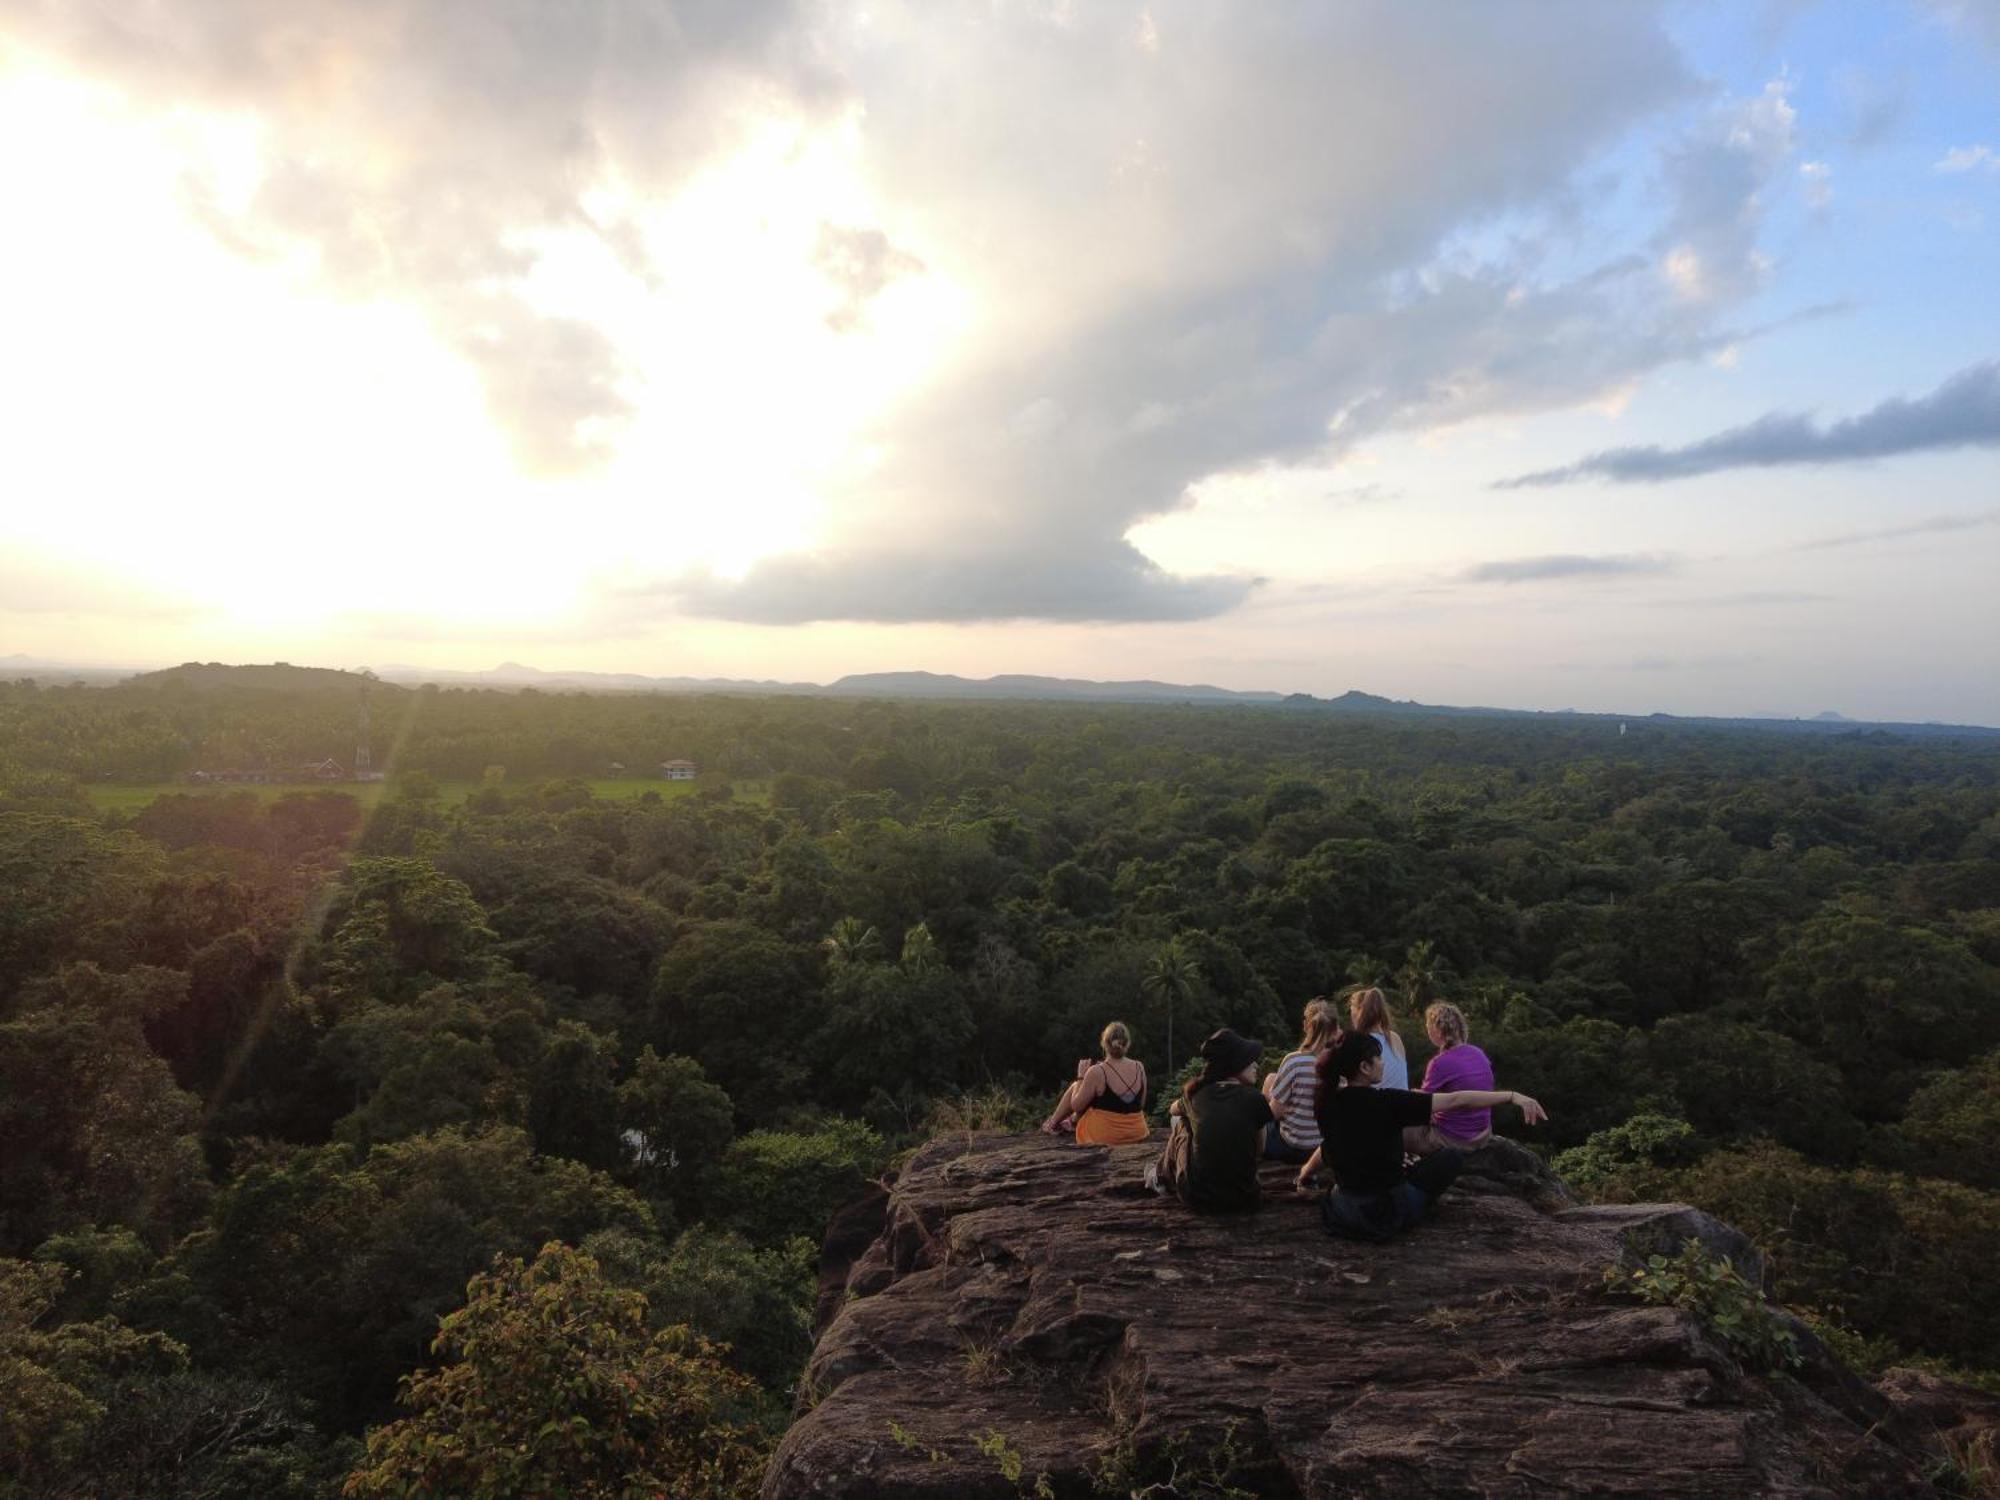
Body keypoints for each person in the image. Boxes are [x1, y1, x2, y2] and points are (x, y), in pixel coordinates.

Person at [1301, 1031, 1547, 1241]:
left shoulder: (1326, 1103)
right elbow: (1457, 1100)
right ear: (1364, 1068)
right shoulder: (1389, 1101)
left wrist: (1305, 1174)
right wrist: (1512, 1096)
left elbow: (1328, 1146)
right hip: (1386, 1215)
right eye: (1378, 1058)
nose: (1382, 1063)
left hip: (1344, 1212)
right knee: (1450, 1157)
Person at [1154, 1028, 1286, 1213]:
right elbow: (1260, 1150)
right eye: (1250, 1061)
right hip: (1245, 1199)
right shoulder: (1256, 1099)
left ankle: (1161, 1178)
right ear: (1234, 1064)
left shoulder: (1197, 1095)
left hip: (1197, 1199)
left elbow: (1173, 1110)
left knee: (1182, 1122)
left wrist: (1190, 1104)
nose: (1256, 1065)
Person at [1409, 1001, 1497, 1155]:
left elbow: (1423, 1105)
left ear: (1436, 1031)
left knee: (1397, 1126)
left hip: (1456, 1139)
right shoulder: (1479, 1053)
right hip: (1483, 1134)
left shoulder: (1438, 1063)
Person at [1042, 1021, 1149, 1145]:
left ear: (1104, 1043)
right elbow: (1140, 1104)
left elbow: (1076, 1106)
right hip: (1137, 1132)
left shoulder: (1098, 1071)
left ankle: (1054, 1123)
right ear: (1127, 1043)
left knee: (1077, 1086)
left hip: (1106, 1135)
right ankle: (1068, 1121)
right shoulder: (1139, 1066)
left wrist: (1081, 1076)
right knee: (1095, 1093)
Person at [1261, 997, 1341, 1163]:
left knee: (1265, 1119)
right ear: (1335, 1030)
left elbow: (1275, 1112)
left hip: (1290, 1147)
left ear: (1307, 1026)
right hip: (1320, 1149)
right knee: (1271, 1079)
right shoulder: (1339, 1064)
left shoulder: (1293, 1061)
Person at [1346, 985, 1408, 1090]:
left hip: (1379, 1104)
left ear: (1358, 1012)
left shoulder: (1359, 1044)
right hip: (1404, 1103)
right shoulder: (1394, 1038)